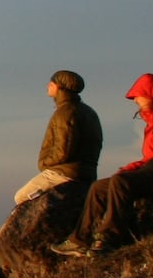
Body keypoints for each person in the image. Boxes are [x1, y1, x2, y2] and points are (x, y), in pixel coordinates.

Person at [53, 73, 153, 257]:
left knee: (122, 182)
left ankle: (109, 237)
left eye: (138, 95)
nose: (135, 100)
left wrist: (138, 172)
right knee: (99, 188)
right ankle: (79, 240)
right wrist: (134, 168)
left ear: (151, 94)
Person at [12, 69, 103, 204]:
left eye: (52, 83)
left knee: (21, 197)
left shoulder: (65, 113)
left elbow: (63, 150)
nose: (48, 85)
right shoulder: (88, 111)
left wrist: (44, 164)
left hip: (65, 173)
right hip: (87, 174)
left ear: (61, 87)